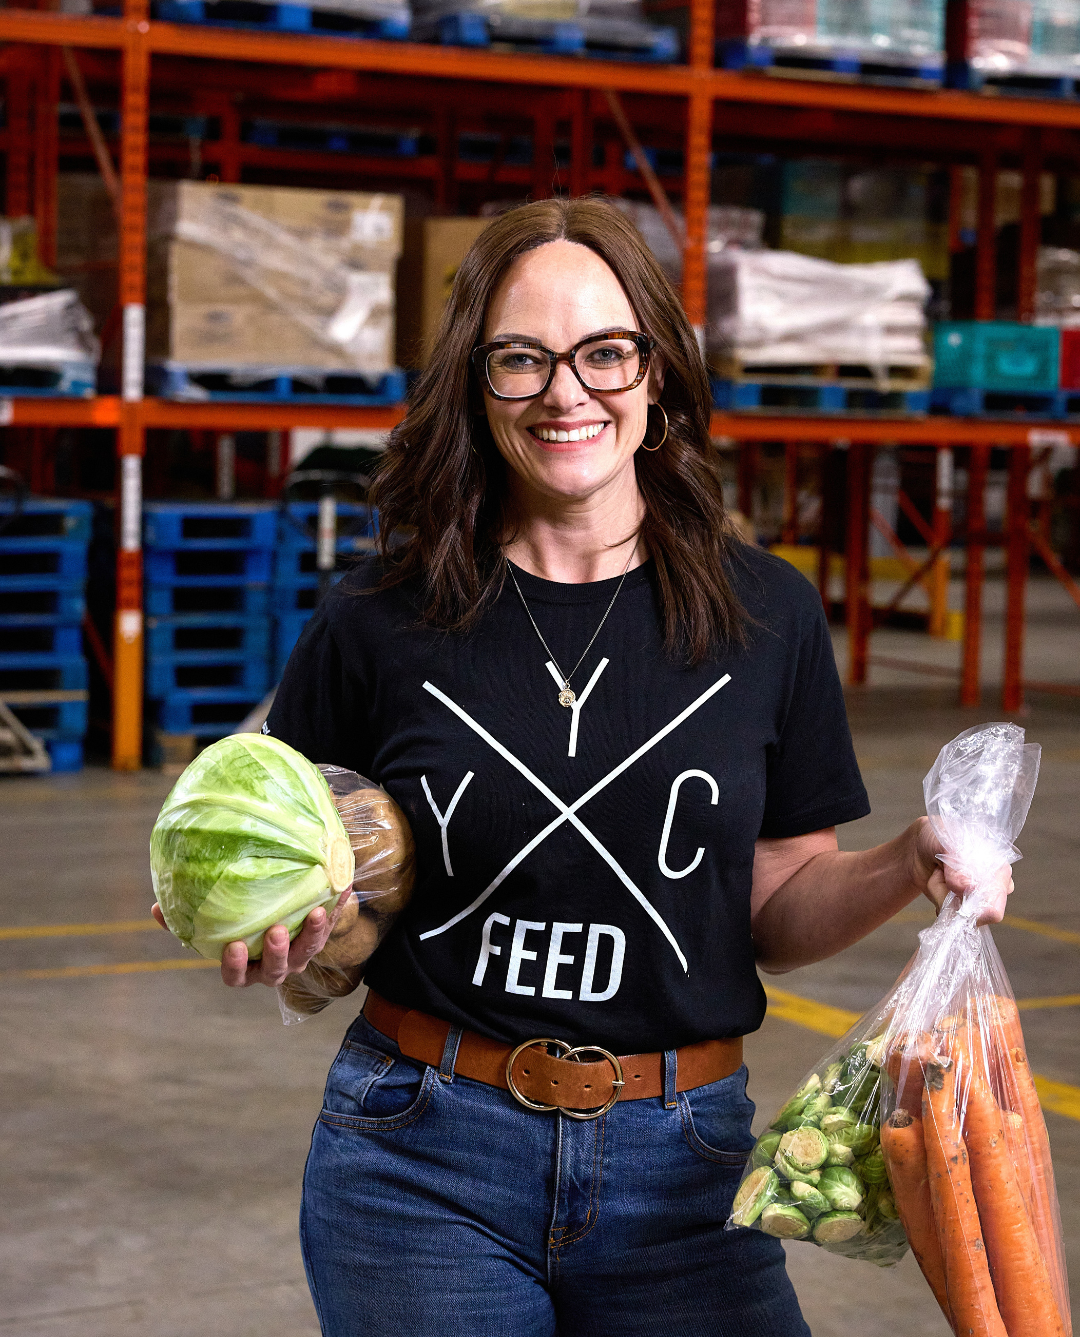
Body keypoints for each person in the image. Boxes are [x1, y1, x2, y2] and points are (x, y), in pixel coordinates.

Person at [204, 198, 1013, 1336]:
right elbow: (303, 879)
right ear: (475, 388)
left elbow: (776, 904)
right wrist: (274, 930)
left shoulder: (765, 615)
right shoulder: (378, 623)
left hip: (683, 1166)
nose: (565, 391)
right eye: (521, 359)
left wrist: (907, 860)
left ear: (659, 379)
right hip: (422, 1158)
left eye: (604, 352)